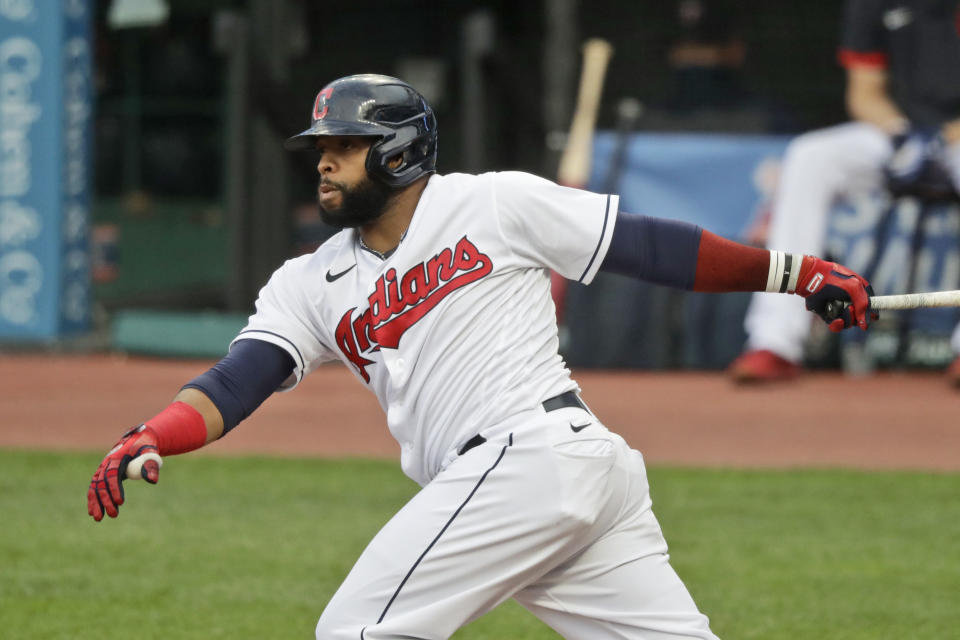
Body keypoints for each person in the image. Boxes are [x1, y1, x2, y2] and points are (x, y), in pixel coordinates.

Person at [87, 74, 875, 640]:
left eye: (344, 145)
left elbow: (648, 246)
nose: (323, 160)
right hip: (547, 479)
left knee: (358, 629)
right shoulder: (309, 281)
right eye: (320, 146)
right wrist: (154, 432)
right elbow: (239, 379)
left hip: (527, 458)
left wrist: (794, 273)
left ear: (396, 153)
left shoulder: (490, 203)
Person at [729, 0, 960, 383]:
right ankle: (774, 343)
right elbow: (864, 92)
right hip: (900, 131)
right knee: (810, 156)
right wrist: (903, 135)